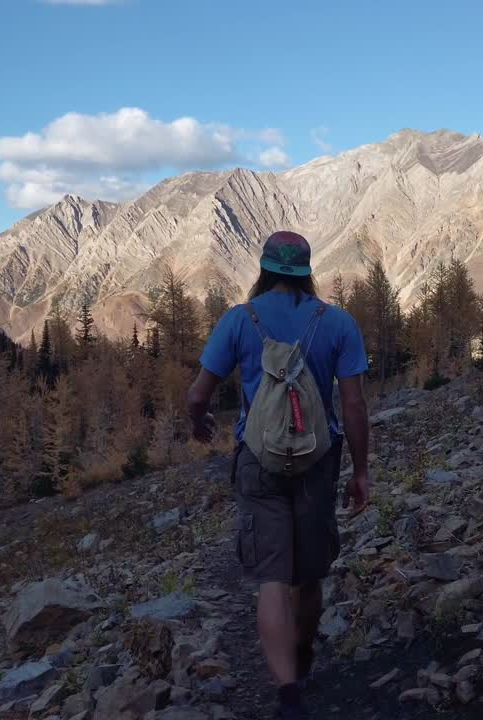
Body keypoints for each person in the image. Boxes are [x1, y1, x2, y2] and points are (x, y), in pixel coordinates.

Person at [187, 230, 371, 719]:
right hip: (319, 459)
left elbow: (197, 394)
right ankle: (304, 657)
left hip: (259, 460)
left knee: (272, 577)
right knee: (307, 576)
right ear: (307, 270)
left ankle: (287, 691)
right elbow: (353, 405)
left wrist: (200, 422)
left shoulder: (239, 320)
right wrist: (362, 471)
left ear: (265, 268)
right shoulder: (336, 323)